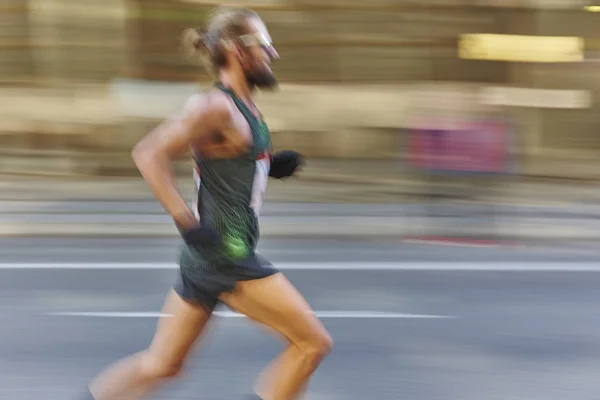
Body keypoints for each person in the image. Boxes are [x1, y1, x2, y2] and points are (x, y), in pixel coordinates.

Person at [82, 5, 332, 400]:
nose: (272, 54)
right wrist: (187, 223)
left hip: (210, 256)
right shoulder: (214, 106)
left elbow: (226, 161)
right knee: (312, 344)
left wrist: (269, 163)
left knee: (162, 366)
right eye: (264, 44)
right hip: (224, 256)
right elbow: (149, 153)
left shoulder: (243, 105)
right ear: (237, 49)